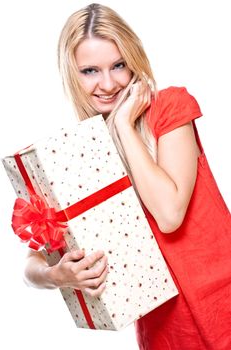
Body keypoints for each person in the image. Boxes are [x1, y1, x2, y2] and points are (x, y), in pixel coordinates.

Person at [24, 3, 231, 349]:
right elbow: (31, 264)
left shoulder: (170, 107)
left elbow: (169, 214)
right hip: (164, 329)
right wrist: (57, 275)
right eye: (90, 71)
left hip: (221, 300)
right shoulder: (77, 153)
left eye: (118, 65)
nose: (108, 84)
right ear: (71, 75)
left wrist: (122, 125)